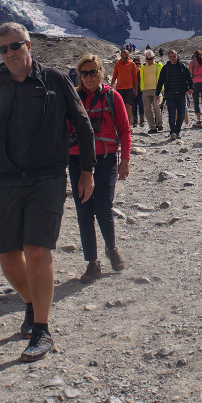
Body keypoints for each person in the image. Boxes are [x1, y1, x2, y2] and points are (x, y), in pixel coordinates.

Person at [0, 23, 96, 363]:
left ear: (29, 45)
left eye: (14, 46)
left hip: (46, 176)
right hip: (5, 178)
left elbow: (82, 124)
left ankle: (41, 328)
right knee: (7, 255)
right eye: (2, 49)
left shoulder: (53, 80)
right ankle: (32, 303)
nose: (9, 54)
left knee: (36, 251)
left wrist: (88, 171)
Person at [69, 54, 132, 284]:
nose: (88, 77)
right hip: (77, 160)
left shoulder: (112, 96)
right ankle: (92, 262)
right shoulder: (73, 98)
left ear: (101, 72)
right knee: (84, 210)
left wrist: (124, 160)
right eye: (84, 73)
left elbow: (124, 130)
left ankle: (111, 247)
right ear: (79, 75)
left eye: (93, 72)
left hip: (106, 159)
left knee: (104, 205)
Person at [155, 49, 194, 140]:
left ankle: (177, 131)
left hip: (181, 93)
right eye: (171, 57)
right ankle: (173, 131)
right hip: (170, 94)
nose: (173, 58)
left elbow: (189, 77)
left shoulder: (182, 66)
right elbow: (160, 81)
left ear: (177, 56)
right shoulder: (165, 68)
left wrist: (191, 88)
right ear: (168, 58)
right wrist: (157, 93)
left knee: (181, 114)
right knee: (171, 114)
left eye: (174, 56)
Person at [110, 49, 138, 126]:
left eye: (126, 58)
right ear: (121, 56)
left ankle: (128, 126)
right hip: (119, 89)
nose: (125, 60)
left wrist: (136, 89)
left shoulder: (132, 64)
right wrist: (111, 86)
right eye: (123, 58)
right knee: (120, 108)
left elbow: (135, 78)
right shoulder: (117, 64)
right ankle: (121, 125)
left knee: (128, 106)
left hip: (129, 88)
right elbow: (114, 76)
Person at [138, 50, 163, 133]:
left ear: (154, 57)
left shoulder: (158, 65)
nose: (149, 60)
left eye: (150, 59)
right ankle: (152, 127)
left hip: (156, 89)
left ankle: (159, 124)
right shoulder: (143, 67)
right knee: (147, 109)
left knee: (156, 106)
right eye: (147, 59)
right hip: (145, 90)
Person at [132, 57, 145, 127]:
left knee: (141, 105)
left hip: (140, 90)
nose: (137, 65)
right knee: (134, 106)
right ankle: (135, 120)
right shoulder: (131, 72)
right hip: (133, 90)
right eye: (135, 63)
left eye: (138, 63)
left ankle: (142, 119)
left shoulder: (141, 72)